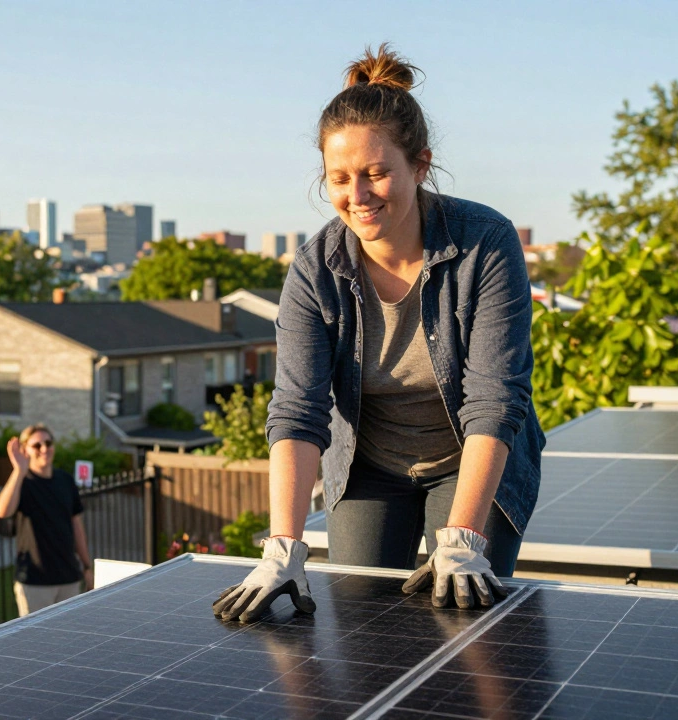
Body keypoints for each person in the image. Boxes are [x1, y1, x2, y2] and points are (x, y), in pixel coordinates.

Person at [214, 44, 545, 622]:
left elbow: (496, 400)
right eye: (339, 179)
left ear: (420, 165)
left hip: (468, 459)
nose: (357, 196)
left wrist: (462, 537)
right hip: (369, 463)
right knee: (362, 620)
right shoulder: (315, 270)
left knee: (462, 615)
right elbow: (297, 409)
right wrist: (283, 546)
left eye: (376, 173)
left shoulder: (485, 243)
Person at [0, 423, 94, 616]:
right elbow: (2, 511)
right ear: (25, 450)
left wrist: (87, 566)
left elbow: (77, 526)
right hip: (35, 582)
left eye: (48, 443)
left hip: (69, 578)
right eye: (37, 445)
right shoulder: (22, 482)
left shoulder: (65, 480)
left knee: (71, 640)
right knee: (38, 643)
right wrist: (18, 471)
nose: (44, 449)